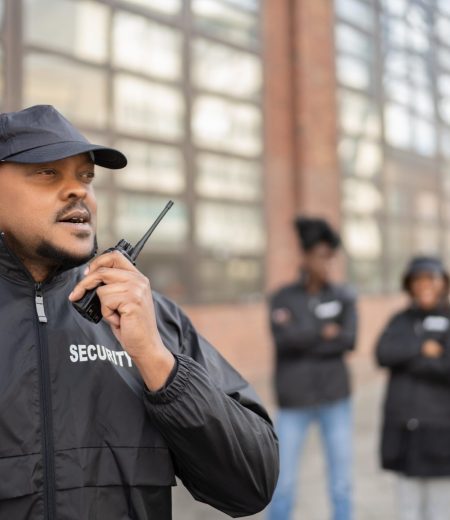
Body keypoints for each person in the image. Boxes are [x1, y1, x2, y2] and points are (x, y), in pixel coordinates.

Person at [0, 104, 279, 519]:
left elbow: (252, 484)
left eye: (86, 177)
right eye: (48, 173)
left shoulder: (150, 318)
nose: (78, 191)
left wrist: (156, 360)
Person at [267, 217, 357, 520]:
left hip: (335, 397)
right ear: (305, 257)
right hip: (294, 400)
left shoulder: (343, 296)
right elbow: (284, 340)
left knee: (342, 482)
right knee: (283, 482)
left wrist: (303, 332)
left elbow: (349, 340)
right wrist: (323, 332)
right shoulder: (282, 297)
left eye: (330, 256)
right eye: (321, 255)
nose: (327, 262)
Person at [376, 256, 450, 520]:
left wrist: (405, 360)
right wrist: (422, 349)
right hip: (405, 432)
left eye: (431, 279)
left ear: (443, 282)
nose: (425, 286)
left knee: (439, 511)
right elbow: (383, 354)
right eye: (418, 280)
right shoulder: (399, 320)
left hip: (441, 434)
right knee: (408, 510)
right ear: (409, 285)